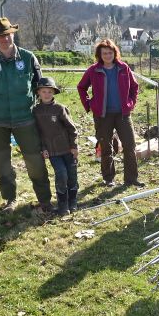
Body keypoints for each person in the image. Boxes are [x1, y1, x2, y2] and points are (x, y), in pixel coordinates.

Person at [0, 18, 52, 214]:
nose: (4, 39)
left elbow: (39, 84)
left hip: (25, 118)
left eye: (7, 34)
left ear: (13, 34)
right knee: (1, 165)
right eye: (0, 36)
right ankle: (10, 199)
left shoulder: (28, 58)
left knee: (35, 162)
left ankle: (44, 199)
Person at [77, 39, 144, 187]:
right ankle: (108, 179)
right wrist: (89, 104)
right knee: (106, 147)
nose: (107, 55)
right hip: (103, 115)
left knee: (129, 145)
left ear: (115, 53)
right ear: (99, 55)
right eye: (104, 53)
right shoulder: (94, 70)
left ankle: (131, 179)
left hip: (123, 114)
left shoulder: (123, 68)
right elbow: (81, 87)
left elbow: (134, 87)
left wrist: (131, 103)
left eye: (110, 52)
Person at [33, 77, 79, 216]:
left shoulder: (60, 109)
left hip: (68, 149)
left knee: (72, 176)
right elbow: (37, 132)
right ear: (39, 93)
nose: (47, 94)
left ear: (54, 93)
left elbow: (72, 129)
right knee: (61, 175)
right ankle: (62, 205)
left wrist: (74, 146)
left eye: (49, 92)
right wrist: (43, 148)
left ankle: (73, 201)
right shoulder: (36, 111)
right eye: (44, 91)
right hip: (53, 151)